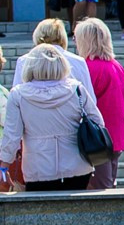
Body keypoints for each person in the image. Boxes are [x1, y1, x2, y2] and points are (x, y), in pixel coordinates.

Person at [0, 45, 109, 192]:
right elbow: (98, 122)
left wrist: (4, 164)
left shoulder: (18, 95)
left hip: (38, 168)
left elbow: (12, 135)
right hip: (77, 165)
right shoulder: (77, 89)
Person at [74, 20, 124, 190]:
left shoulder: (88, 68)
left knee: (98, 192)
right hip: (115, 136)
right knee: (109, 185)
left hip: (95, 140)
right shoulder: (116, 66)